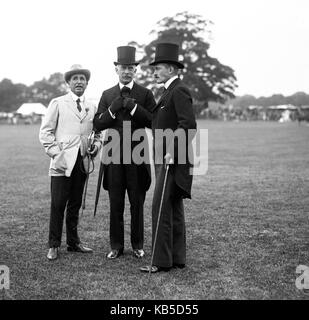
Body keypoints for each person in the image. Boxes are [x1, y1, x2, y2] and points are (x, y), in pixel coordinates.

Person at [93, 46, 156, 260]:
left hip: (138, 155)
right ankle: (116, 246)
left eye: (131, 68)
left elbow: (153, 121)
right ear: (116, 69)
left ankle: (138, 244)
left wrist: (134, 108)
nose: (127, 71)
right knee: (116, 203)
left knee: (137, 203)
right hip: (114, 156)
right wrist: (113, 109)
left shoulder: (145, 94)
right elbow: (98, 123)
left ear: (135, 70)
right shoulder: (107, 94)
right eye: (123, 68)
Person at [140, 43, 197, 273]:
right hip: (166, 157)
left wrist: (173, 150)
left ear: (171, 70)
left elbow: (189, 125)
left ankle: (160, 261)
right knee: (172, 206)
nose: (154, 72)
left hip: (172, 158)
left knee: (160, 207)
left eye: (158, 68)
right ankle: (177, 258)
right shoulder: (167, 91)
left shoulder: (179, 90)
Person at [39, 64, 102, 260]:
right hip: (62, 162)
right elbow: (45, 132)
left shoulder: (92, 107)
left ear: (87, 83)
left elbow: (98, 134)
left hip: (82, 162)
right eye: (74, 78)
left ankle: (73, 243)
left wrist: (96, 147)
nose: (79, 82)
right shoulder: (57, 103)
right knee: (58, 204)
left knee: (75, 204)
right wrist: (56, 154)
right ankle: (54, 245)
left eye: (82, 78)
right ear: (68, 83)